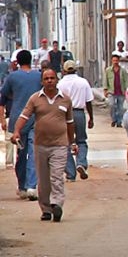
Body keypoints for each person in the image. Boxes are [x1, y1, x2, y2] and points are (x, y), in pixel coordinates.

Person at [11, 68, 76, 222]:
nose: (49, 81)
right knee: (44, 179)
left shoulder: (65, 100)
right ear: (42, 81)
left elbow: (70, 122)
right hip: (40, 145)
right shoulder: (35, 99)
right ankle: (46, 209)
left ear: (57, 80)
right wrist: (17, 131)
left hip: (59, 145)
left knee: (56, 176)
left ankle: (57, 204)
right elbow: (24, 116)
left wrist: (71, 141)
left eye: (52, 78)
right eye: (46, 78)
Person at [0, 50, 41, 201]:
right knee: (33, 152)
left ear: (17, 62)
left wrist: (3, 120)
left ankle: (23, 186)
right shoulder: (39, 76)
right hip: (36, 118)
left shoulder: (12, 77)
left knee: (21, 154)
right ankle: (31, 185)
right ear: (31, 60)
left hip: (18, 119)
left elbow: (2, 99)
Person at [57, 60, 94, 181]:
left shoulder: (60, 84)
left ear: (64, 70)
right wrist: (91, 118)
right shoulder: (83, 82)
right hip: (79, 113)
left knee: (65, 143)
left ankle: (71, 173)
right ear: (76, 69)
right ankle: (81, 163)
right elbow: (88, 101)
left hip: (64, 113)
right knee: (81, 140)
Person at [104, 54, 128, 128]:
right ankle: (113, 119)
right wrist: (105, 90)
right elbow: (105, 80)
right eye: (114, 60)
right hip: (111, 91)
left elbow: (126, 81)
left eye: (116, 60)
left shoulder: (123, 71)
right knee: (112, 105)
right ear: (112, 61)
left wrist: (126, 90)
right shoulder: (108, 70)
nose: (115, 62)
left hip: (121, 91)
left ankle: (119, 121)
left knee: (121, 108)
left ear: (118, 61)